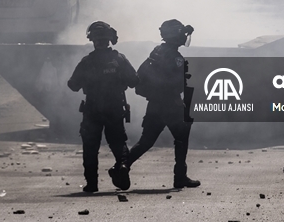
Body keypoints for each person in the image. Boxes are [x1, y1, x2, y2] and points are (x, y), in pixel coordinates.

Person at [126, 19, 200, 189]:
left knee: (146, 141)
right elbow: (177, 83)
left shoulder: (157, 51)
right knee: (181, 139)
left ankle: (122, 167)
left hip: (154, 104)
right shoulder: (176, 58)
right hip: (171, 104)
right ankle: (180, 177)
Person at [67, 21, 138, 193]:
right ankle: (122, 167)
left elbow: (73, 85)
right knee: (118, 143)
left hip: (92, 109)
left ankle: (92, 184)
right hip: (114, 107)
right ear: (109, 40)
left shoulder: (87, 61)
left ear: (92, 40)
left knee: (90, 147)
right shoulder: (119, 59)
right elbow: (134, 81)